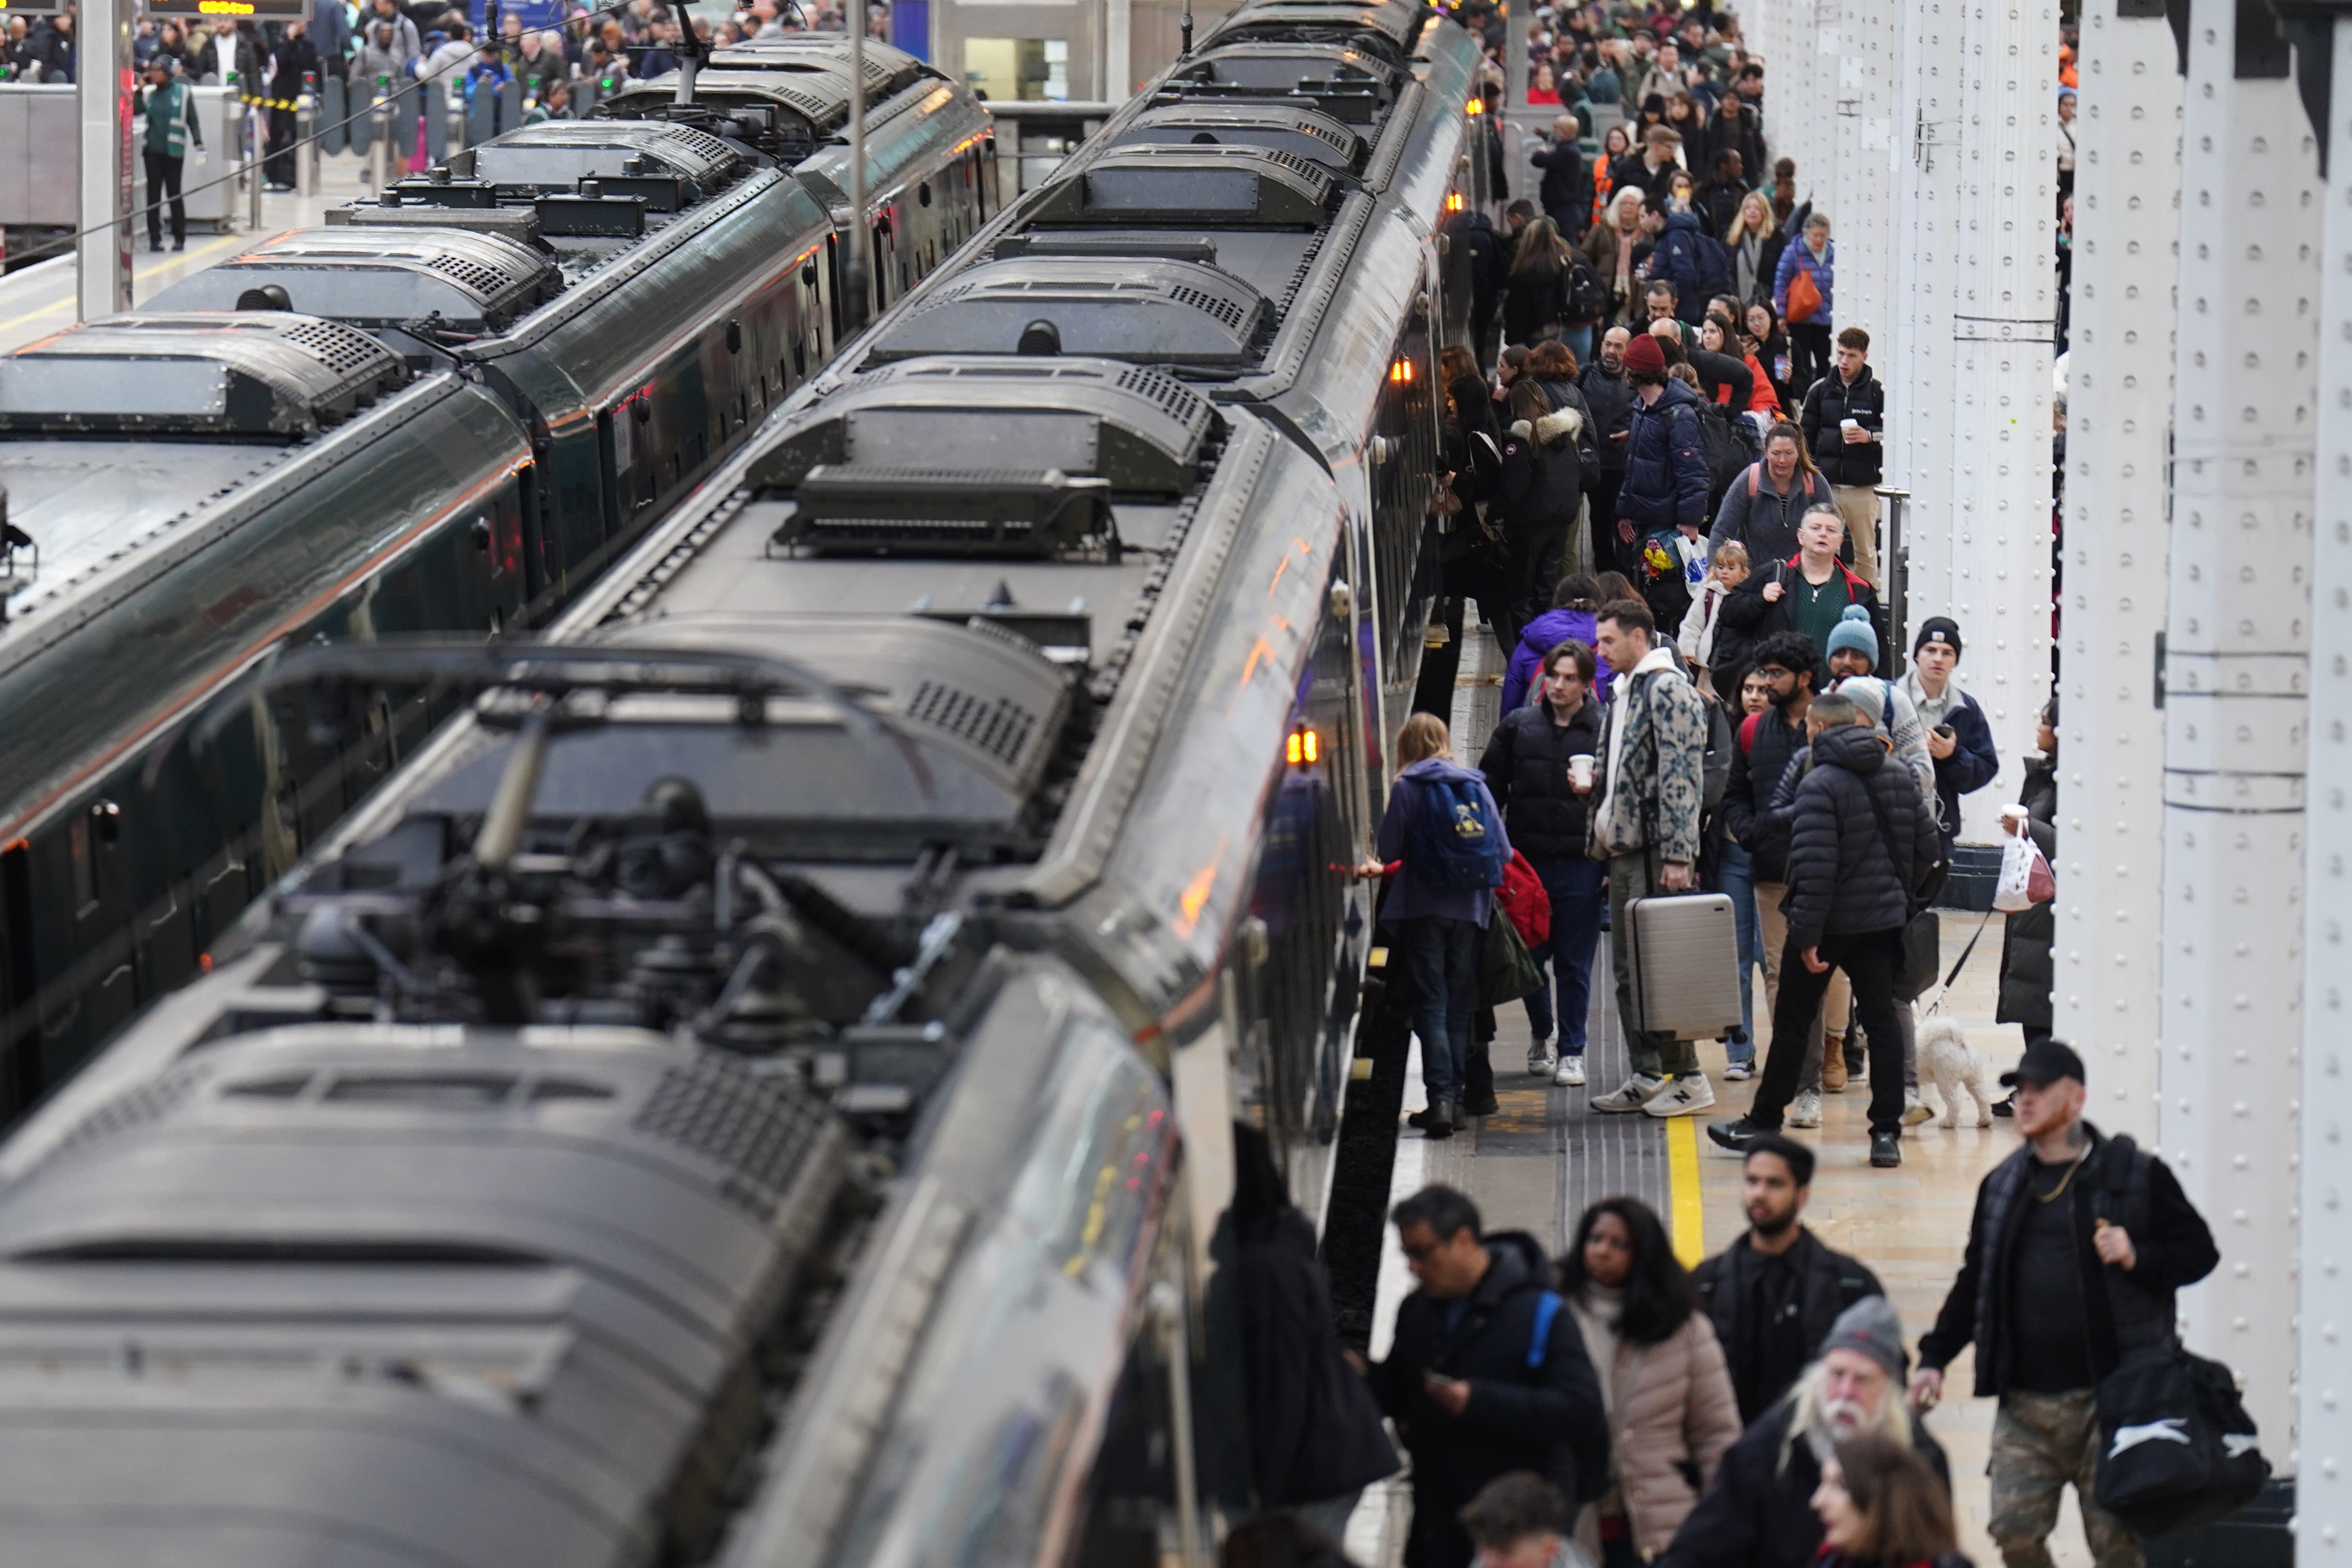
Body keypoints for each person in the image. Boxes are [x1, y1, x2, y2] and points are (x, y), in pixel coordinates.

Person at [1911, 1041, 2220, 1568]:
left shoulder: (2134, 1176)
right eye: (2020, 1090)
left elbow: (2199, 1252)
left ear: (2075, 1100)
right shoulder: (2002, 1185)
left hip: (2112, 1401)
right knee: (2013, 1532)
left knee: (2116, 1545)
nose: (2024, 1101)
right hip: (2026, 1404)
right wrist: (1935, 1358)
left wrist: (2138, 1255)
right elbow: (1975, 1280)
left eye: (2039, 1091)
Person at [1705, 688, 1941, 1168]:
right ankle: (1885, 1134)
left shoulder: (1819, 782)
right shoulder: (1897, 774)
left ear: (1820, 728)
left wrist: (1808, 935)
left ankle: (1764, 1121)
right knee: (1882, 1022)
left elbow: (1814, 866)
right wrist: (1899, 898)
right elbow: (1927, 848)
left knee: (1794, 1022)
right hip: (1881, 923)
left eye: (1809, 728)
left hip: (1827, 924)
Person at [1369, 1186, 1608, 1568]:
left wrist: (1479, 1401)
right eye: (1407, 1255)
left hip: (1514, 1533)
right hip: (1438, 1525)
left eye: (1422, 1253)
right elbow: (1400, 1391)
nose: (1413, 1267)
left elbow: (1582, 1410)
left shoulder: (1540, 1313)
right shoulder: (1416, 1311)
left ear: (1463, 1241)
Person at [1654, 1297, 1950, 1568]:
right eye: (1837, 1374)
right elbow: (1701, 1545)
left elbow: (1938, 1550)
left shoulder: (1919, 1458)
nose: (1845, 1393)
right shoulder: (1773, 1443)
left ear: (1889, 1392)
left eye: (1863, 1380)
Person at [1229, 1124, 1398, 1538]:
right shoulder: (1279, 1241)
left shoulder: (1265, 1270)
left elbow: (1281, 1384)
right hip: (1328, 1454)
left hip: (1318, 1467)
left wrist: (1264, 1501)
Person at [1558, 1198, 1742, 1565]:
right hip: (1569, 1524)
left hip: (1660, 1526)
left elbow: (1716, 1433)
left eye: (1618, 1244)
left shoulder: (1685, 1330)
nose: (1602, 1251)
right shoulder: (1555, 1315)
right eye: (1595, 1239)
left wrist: (1720, 1520)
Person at [1587, 599, 1716, 1119]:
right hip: (1625, 847)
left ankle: (1688, 1075)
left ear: (1639, 638)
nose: (1600, 651)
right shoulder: (1626, 692)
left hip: (1658, 849)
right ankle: (1647, 1070)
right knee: (1628, 967)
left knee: (1658, 964)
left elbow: (1683, 774)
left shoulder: (1669, 690)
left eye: (1608, 641)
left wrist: (1680, 855)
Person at [1369, 715, 1510, 1138]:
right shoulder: (1475, 784)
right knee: (1457, 1004)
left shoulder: (1408, 786)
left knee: (1430, 1003)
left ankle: (1441, 1102)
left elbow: (1389, 848)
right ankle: (1459, 1096)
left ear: (1406, 746)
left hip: (1422, 909)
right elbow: (1501, 850)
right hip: (1470, 910)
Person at [1481, 639, 1607, 1085]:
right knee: (1530, 958)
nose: (1559, 685)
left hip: (1582, 861)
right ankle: (1542, 1033)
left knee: (1575, 963)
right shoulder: (1519, 727)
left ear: (1586, 683)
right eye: (1554, 676)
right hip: (1527, 864)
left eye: (1569, 678)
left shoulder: (1604, 728)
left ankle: (1572, 1050)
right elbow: (1490, 789)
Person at [1693, 1135, 1885, 1423]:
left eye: (1775, 1184)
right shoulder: (1705, 1284)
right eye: (1752, 1181)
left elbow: (1885, 1375)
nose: (1759, 1193)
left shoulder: (1852, 1284)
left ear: (1802, 1195)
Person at [1716, 506, 1887, 687]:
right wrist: (1760, 601)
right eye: (1816, 528)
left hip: (1836, 701)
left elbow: (1879, 653)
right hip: (1775, 694)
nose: (1823, 534)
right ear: (1801, 536)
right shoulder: (1773, 574)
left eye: (1831, 531)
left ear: (1840, 542)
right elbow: (1727, 612)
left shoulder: (1860, 589)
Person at [1612, 333, 1711, 633]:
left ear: (1639, 372)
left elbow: (1693, 472)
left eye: (1628, 368)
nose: (1624, 373)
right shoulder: (1641, 409)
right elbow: (1634, 467)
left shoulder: (1679, 416)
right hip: (1644, 521)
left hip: (1667, 525)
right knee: (1645, 598)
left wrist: (1690, 521)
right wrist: (1624, 511)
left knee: (1666, 602)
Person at [1993, 698, 2060, 1107]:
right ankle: (2031, 1089)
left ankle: (2038, 1091)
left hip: (2051, 910)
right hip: (2031, 904)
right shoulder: (2042, 775)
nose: (2038, 727)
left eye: (2046, 722)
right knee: (2031, 1005)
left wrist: (2028, 826)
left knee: (2041, 1007)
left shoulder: (2071, 781)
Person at [1494, 380, 1588, 645]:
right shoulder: (1567, 439)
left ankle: (1529, 652)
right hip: (1559, 526)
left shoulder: (1522, 443)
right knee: (1546, 593)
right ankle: (1551, 649)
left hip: (1527, 529)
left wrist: (1493, 513)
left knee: (1522, 596)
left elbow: (1514, 489)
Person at [1899, 617, 1999, 852]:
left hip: (1938, 831)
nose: (1938, 659)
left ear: (1955, 661)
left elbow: (1986, 768)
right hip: (1887, 826)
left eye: (1947, 653)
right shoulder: (1889, 698)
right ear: (1916, 655)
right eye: (1930, 650)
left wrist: (1953, 756)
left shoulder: (1966, 708)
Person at [1799, 327, 1887, 587]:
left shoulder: (1877, 393)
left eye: (1851, 355)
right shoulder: (1820, 390)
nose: (1844, 361)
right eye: (1840, 354)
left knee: (1865, 551)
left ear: (1864, 357)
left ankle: (1865, 602)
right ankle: (1827, 595)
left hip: (1863, 486)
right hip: (1827, 483)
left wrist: (1869, 436)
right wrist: (1810, 472)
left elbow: (1892, 431)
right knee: (1824, 547)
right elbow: (1805, 434)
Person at [1809, 1436, 1970, 1568]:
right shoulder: (1828, 1560)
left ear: (1886, 1500)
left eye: (1842, 1486)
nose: (1817, 1502)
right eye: (1823, 1483)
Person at [1706, 421, 1825, 584]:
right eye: (1776, 453)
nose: (1782, 460)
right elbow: (1722, 530)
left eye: (1789, 453)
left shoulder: (1814, 482)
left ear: (1799, 453)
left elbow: (1829, 532)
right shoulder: (1749, 480)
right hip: (1754, 578)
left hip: (1803, 578)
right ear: (1766, 452)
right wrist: (1714, 572)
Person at [1580, 326, 1637, 575]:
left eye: (1618, 346)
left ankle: (1625, 578)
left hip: (1624, 467)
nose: (1611, 351)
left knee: (1623, 524)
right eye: (1607, 344)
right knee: (1599, 523)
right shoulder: (1585, 375)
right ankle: (1604, 577)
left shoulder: (1635, 380)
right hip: (1593, 465)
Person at [135, 58, 204, 254]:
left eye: (158, 71)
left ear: (167, 72)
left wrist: (199, 143)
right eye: (152, 71)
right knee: (153, 195)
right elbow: (136, 110)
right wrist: (140, 89)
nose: (154, 75)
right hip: (153, 152)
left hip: (174, 152)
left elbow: (193, 119)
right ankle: (155, 238)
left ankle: (179, 237)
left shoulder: (182, 93)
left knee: (175, 194)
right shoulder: (150, 95)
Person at [1459, 1472, 1578, 1568]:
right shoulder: (1483, 1562)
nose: (1488, 1563)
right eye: (1484, 1547)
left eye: (1505, 1552)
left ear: (1549, 1550)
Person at [1773, 211, 1835, 393]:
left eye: (1823, 236)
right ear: (1806, 233)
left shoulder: (1834, 252)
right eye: (1815, 235)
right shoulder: (1793, 252)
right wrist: (1781, 314)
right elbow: (1781, 283)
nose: (1819, 240)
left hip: (1826, 319)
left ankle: (1825, 396)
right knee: (1804, 364)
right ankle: (1806, 398)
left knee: (1826, 362)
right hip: (1801, 318)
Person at [1675, 539, 1746, 692]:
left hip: (1733, 660)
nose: (1725, 572)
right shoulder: (1709, 594)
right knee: (1705, 695)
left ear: (1743, 573)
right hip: (1708, 660)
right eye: (1721, 567)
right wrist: (1687, 648)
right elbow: (1693, 623)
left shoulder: (1746, 598)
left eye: (1731, 568)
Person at [1584, 185, 1650, 328]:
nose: (1628, 207)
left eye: (1632, 204)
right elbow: (1585, 256)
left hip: (1636, 295)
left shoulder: (1647, 232)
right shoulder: (1603, 229)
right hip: (1606, 291)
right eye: (1624, 203)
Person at [1505, 217, 1575, 349]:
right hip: (1559, 327)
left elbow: (1519, 310)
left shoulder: (1523, 271)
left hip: (1532, 331)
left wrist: (1514, 340)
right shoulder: (1563, 263)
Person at [1532, 114, 1590, 239]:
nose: (1553, 131)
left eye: (1555, 127)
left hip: (1565, 211)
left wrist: (1540, 152)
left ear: (1563, 131)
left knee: (1567, 244)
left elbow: (1539, 160)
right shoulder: (1566, 149)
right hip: (1559, 208)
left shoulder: (1568, 152)